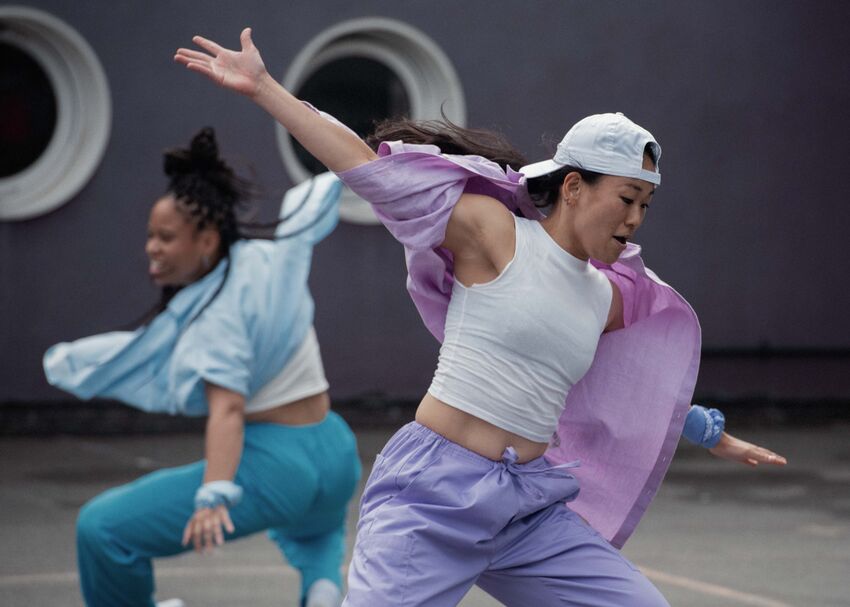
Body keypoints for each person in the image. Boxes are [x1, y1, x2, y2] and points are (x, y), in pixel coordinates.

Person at [174, 28, 786, 606]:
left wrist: (710, 433)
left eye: (645, 206)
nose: (634, 220)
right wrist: (265, 89)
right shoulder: (496, 234)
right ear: (573, 187)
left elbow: (635, 385)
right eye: (625, 199)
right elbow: (366, 168)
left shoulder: (606, 298)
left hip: (527, 510)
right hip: (433, 495)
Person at [43, 127, 360, 607]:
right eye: (150, 235)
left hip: (277, 466)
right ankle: (322, 589)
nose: (152, 247)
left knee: (102, 529)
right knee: (315, 538)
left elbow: (228, 409)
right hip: (336, 453)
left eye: (166, 237)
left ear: (208, 239)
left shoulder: (214, 317)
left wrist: (215, 490)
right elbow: (317, 193)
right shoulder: (269, 256)